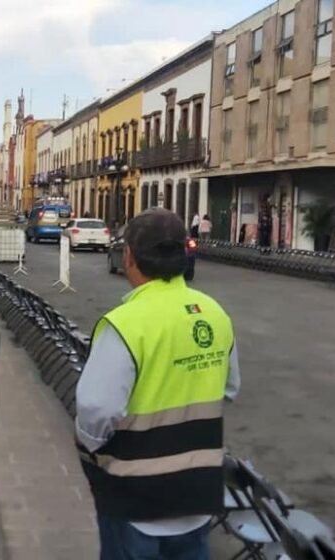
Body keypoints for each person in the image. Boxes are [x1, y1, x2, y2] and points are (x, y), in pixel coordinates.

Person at [75, 208, 240, 560]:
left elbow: (96, 410)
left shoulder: (124, 324)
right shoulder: (215, 313)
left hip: (136, 496)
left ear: (130, 256)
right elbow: (229, 388)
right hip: (197, 493)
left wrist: (92, 449)